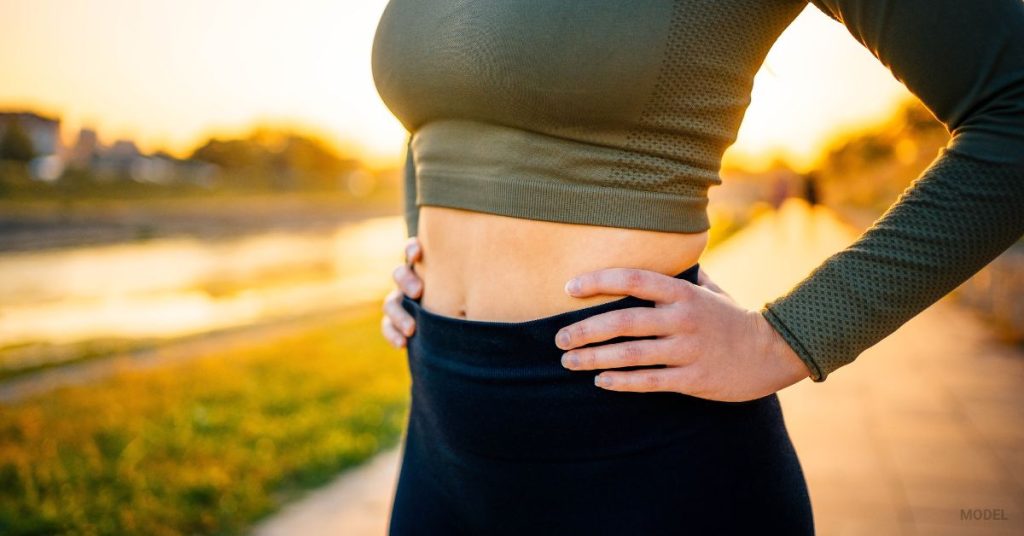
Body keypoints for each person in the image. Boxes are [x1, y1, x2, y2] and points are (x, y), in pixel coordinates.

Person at [373, 0, 1024, 534]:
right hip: (441, 438)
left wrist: (788, 337)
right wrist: (420, 247)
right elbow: (438, 113)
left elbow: (1013, 106)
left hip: (642, 452)